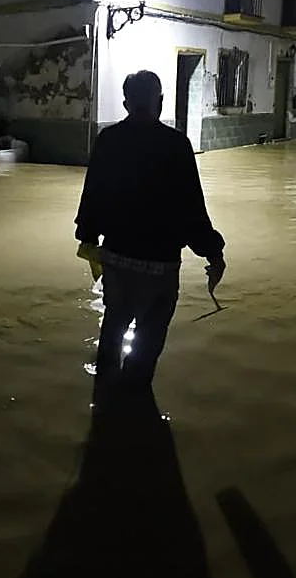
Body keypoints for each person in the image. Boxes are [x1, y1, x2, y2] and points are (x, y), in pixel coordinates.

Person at [75, 69, 225, 385]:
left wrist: (87, 235)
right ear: (160, 101)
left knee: (113, 326)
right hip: (162, 265)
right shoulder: (176, 145)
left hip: (117, 259)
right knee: (149, 337)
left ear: (127, 103)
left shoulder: (109, 140)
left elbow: (92, 197)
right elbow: (192, 210)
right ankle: (135, 403)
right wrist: (213, 251)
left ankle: (103, 407)